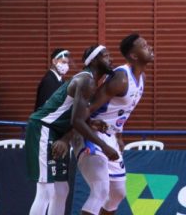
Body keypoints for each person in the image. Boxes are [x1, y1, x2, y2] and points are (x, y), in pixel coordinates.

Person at [25, 44, 119, 215]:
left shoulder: (90, 81)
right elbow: (77, 121)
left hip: (57, 131)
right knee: (45, 191)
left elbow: (76, 115)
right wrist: (104, 146)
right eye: (106, 56)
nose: (110, 59)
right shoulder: (86, 80)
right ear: (95, 60)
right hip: (43, 128)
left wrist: (91, 122)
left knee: (61, 190)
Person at [75, 33, 154, 215]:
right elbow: (86, 109)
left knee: (118, 193)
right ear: (133, 55)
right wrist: (94, 136)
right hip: (90, 133)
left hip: (109, 136)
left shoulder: (142, 78)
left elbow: (120, 111)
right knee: (101, 190)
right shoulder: (121, 78)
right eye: (144, 46)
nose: (150, 47)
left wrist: (118, 135)